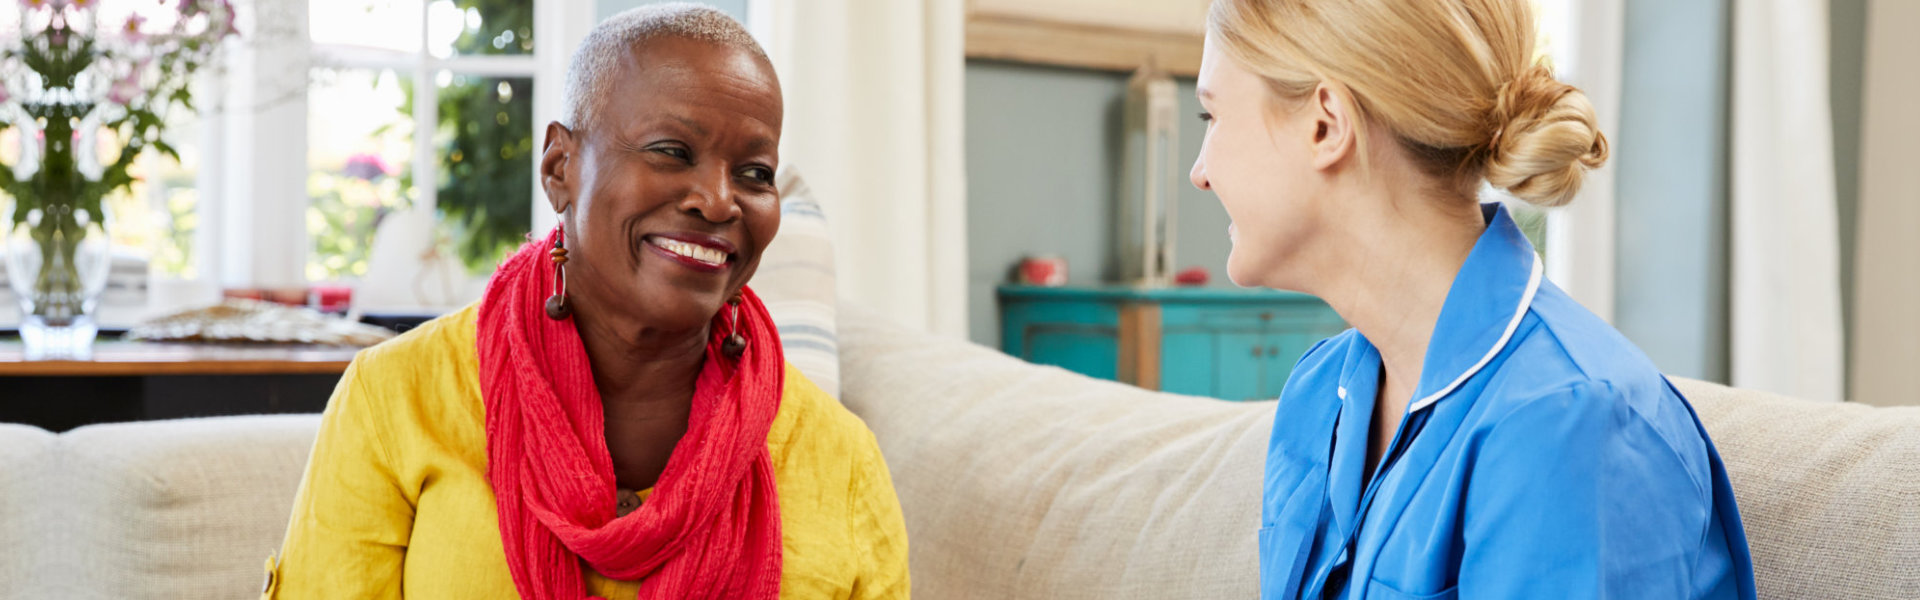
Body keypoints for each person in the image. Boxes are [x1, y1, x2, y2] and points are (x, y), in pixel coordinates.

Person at [263, 5, 908, 599]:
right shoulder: (397, 399)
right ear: (559, 168)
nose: (718, 200)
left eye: (755, 173)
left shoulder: (842, 462)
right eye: (671, 151)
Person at [1188, 1, 1757, 598]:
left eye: (1212, 114)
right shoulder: (1318, 393)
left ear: (1325, 125)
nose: (1201, 171)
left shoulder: (1569, 421)